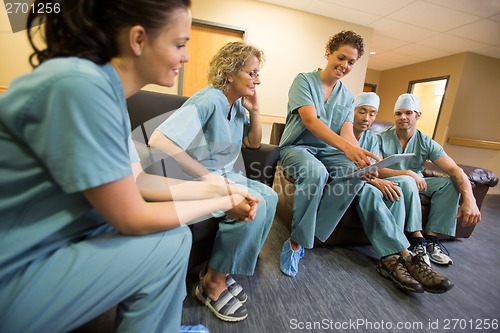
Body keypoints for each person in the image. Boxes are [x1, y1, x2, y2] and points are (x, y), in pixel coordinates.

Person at [0, 1, 257, 332]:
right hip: (13, 268)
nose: (187, 57)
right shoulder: (80, 87)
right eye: (180, 44)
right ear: (138, 39)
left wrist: (221, 188)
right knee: (167, 246)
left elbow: (139, 182)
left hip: (49, 242)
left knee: (176, 238)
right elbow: (133, 216)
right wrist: (222, 202)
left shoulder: (100, 87)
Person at [148, 41, 278, 322]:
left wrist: (255, 109)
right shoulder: (209, 99)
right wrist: (207, 177)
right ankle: (210, 285)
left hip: (227, 175)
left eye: (258, 73)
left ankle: (221, 270)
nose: (258, 78)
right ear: (230, 73)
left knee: (271, 196)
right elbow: (159, 139)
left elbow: (254, 143)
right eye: (252, 72)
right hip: (199, 180)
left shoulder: (237, 105)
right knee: (250, 204)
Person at [278, 30, 380, 278]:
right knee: (316, 172)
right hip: (296, 148)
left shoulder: (346, 96)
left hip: (327, 151)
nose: (344, 65)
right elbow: (311, 121)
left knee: (355, 171)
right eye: (341, 57)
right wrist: (346, 148)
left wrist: (360, 158)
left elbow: (347, 132)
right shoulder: (304, 80)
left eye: (351, 62)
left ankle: (312, 232)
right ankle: (295, 243)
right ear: (328, 53)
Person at [351, 92, 453, 293]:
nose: (366, 118)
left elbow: (373, 167)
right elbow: (366, 169)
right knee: (399, 184)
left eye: (372, 113)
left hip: (390, 180)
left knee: (402, 186)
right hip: (359, 182)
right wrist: (380, 180)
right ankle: (407, 253)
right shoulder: (373, 137)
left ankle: (408, 251)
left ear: (418, 115)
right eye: (362, 111)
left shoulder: (371, 139)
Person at [377, 93, 481, 265]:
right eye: (398, 113)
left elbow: (455, 169)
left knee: (449, 184)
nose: (403, 117)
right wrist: (408, 173)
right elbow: (376, 170)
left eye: (408, 113)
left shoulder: (425, 141)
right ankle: (416, 240)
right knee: (410, 180)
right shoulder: (380, 137)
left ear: (417, 115)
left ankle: (431, 239)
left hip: (416, 183)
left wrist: (470, 199)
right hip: (391, 181)